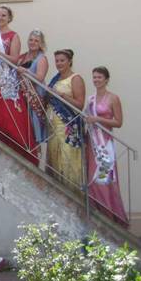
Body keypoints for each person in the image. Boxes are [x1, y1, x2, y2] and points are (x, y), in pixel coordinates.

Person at [0, 6, 37, 165]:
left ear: (9, 17)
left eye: (3, 15)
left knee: (7, 117)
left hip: (4, 79)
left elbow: (14, 60)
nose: (0, 17)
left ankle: (18, 153)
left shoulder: (13, 36)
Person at [84, 67, 128, 226]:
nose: (96, 80)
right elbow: (87, 118)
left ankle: (111, 216)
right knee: (93, 179)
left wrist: (98, 120)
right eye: (94, 77)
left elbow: (118, 122)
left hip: (105, 144)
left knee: (105, 179)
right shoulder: (90, 99)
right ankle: (96, 214)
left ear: (106, 79)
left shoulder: (113, 98)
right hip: (93, 142)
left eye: (99, 77)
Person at [46, 49, 86, 189]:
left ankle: (72, 194)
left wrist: (62, 96)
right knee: (54, 158)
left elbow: (80, 105)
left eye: (62, 60)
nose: (59, 63)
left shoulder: (75, 78)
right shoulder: (55, 79)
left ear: (69, 61)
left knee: (67, 160)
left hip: (67, 127)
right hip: (53, 127)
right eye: (57, 61)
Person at [17, 29, 49, 152]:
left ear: (41, 43)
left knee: (34, 128)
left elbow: (40, 78)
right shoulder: (23, 56)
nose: (33, 42)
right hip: (21, 96)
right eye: (31, 40)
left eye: (36, 40)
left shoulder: (41, 59)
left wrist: (26, 72)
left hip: (34, 97)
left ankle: (36, 158)